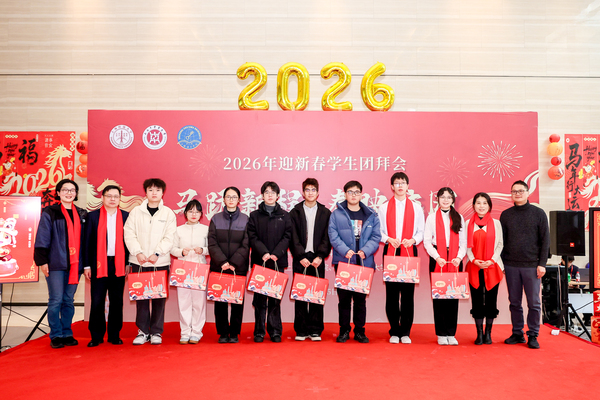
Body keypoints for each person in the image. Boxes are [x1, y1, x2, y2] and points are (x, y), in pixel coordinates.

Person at [34, 179, 87, 349]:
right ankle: (56, 334)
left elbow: (86, 241)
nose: (69, 193)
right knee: (56, 300)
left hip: (76, 265)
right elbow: (42, 236)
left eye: (72, 190)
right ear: (58, 193)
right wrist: (42, 261)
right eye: (65, 190)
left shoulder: (82, 214)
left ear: (76, 193)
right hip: (55, 263)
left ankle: (67, 332)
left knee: (68, 300)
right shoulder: (50, 212)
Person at [124, 178, 177, 345]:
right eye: (151, 190)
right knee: (141, 298)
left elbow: (170, 237)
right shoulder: (135, 212)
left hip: (159, 262)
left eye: (158, 190)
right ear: (145, 192)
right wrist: (137, 252)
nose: (154, 193)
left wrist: (157, 253)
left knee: (159, 298)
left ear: (163, 193)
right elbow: (129, 234)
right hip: (138, 262)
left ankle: (156, 332)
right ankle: (142, 331)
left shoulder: (168, 213)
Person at [329, 180, 381, 344]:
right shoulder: (337, 214)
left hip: (363, 263)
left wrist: (366, 250)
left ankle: (360, 331)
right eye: (350, 192)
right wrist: (345, 250)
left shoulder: (371, 214)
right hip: (344, 262)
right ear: (345, 194)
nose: (353, 195)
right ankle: (344, 330)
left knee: (360, 300)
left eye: (356, 192)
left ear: (361, 194)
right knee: (344, 300)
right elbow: (333, 235)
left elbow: (376, 237)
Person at [501, 180, 549, 349]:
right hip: (511, 265)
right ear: (511, 194)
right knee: (514, 302)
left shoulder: (538, 213)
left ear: (528, 193)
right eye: (514, 191)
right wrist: (502, 263)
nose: (518, 194)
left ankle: (533, 334)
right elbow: (502, 242)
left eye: (521, 191)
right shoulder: (506, 215)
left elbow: (545, 241)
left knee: (534, 303)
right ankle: (517, 333)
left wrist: (542, 263)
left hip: (532, 266)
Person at [377, 172, 424, 345]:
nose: (400, 186)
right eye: (397, 183)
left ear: (408, 186)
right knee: (391, 294)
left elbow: (421, 232)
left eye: (403, 182)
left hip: (409, 251)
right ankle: (394, 331)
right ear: (392, 186)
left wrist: (413, 240)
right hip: (391, 251)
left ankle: (405, 331)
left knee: (407, 295)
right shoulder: (383, 207)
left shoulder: (416, 208)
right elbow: (379, 231)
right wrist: (388, 239)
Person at [84, 185, 129, 347]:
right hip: (98, 264)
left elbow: (129, 242)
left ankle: (114, 335)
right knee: (97, 301)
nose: (112, 199)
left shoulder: (126, 216)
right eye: (109, 196)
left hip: (119, 264)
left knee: (117, 301)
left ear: (119, 199)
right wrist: (87, 266)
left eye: (116, 196)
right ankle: (96, 336)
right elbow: (87, 242)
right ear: (102, 197)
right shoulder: (93, 216)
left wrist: (128, 263)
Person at [247, 181, 292, 343]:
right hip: (260, 261)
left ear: (278, 196)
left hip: (277, 261)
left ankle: (275, 331)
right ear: (262, 195)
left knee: (274, 298)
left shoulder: (285, 215)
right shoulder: (254, 215)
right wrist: (264, 253)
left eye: (273, 192)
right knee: (259, 299)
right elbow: (252, 236)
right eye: (267, 192)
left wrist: (276, 254)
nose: (270, 195)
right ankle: (259, 332)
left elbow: (287, 236)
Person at [290, 178, 332, 342]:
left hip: (317, 259)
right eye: (307, 190)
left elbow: (327, 237)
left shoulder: (325, 212)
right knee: (300, 294)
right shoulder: (295, 212)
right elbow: (292, 237)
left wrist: (320, 256)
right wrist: (300, 256)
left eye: (313, 190)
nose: (310, 193)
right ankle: (301, 330)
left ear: (318, 192)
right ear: (303, 192)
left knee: (316, 294)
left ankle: (315, 329)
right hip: (300, 258)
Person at [424, 187, 467, 346]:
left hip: (455, 259)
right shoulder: (431, 218)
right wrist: (437, 257)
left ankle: (451, 333)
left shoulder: (459, 217)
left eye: (449, 197)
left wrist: (459, 257)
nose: (446, 200)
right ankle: (441, 333)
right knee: (439, 296)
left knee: (453, 296)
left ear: (453, 200)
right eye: (443, 197)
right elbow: (427, 241)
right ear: (438, 199)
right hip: (438, 258)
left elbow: (463, 242)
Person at [208, 187, 250, 344]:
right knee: (220, 301)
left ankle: (234, 333)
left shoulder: (246, 219)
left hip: (238, 267)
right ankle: (223, 332)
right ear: (224, 199)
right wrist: (223, 262)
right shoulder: (215, 219)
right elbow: (212, 243)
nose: (231, 199)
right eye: (228, 197)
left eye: (234, 197)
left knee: (237, 301)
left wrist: (234, 263)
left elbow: (246, 244)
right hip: (219, 266)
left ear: (239, 200)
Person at [465, 193, 503, 345]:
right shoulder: (467, 223)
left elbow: (500, 244)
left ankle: (488, 333)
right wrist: (474, 260)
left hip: (492, 266)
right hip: (474, 266)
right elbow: (465, 245)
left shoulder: (496, 223)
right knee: (477, 300)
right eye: (478, 203)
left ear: (489, 206)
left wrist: (491, 260)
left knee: (491, 300)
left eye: (484, 203)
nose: (481, 206)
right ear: (473, 205)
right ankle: (479, 333)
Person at [170, 199, 209, 345]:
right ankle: (185, 332)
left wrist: (203, 250)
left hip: (199, 269)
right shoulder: (178, 230)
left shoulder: (206, 229)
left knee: (199, 302)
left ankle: (196, 332)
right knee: (184, 301)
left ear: (201, 214)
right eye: (191, 211)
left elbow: (211, 248)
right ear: (185, 213)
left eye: (197, 212)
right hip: (182, 269)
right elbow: (172, 248)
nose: (194, 214)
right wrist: (181, 252)